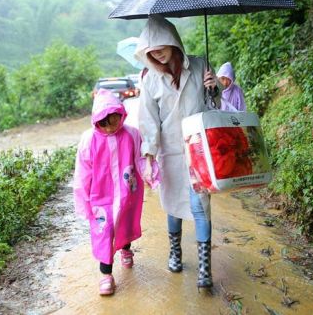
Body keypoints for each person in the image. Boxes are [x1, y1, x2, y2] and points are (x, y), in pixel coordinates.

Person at [134, 15, 220, 290]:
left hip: (199, 149)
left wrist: (213, 88)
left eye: (160, 44)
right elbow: (148, 121)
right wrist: (149, 159)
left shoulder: (199, 65)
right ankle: (175, 252)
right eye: (150, 48)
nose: (155, 51)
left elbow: (214, 105)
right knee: (172, 205)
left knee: (200, 206)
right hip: (169, 152)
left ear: (172, 40)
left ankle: (205, 268)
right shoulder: (150, 79)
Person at [73, 88, 155, 296]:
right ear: (96, 121)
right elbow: (83, 173)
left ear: (121, 115)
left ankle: (126, 249)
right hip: (101, 197)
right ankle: (106, 275)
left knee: (125, 224)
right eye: (104, 124)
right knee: (104, 231)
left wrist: (152, 175)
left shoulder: (131, 134)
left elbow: (139, 159)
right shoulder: (89, 139)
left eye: (114, 122)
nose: (110, 129)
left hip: (128, 192)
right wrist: (83, 201)